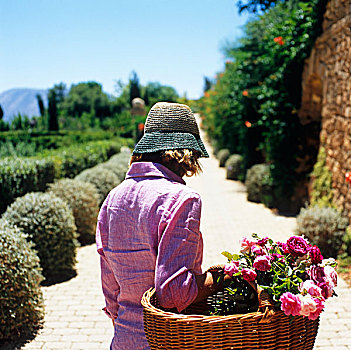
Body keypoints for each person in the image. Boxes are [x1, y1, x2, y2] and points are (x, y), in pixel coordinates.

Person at [96, 102, 228, 350]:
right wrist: (220, 278)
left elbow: (111, 290)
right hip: (167, 340)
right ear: (186, 152)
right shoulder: (181, 199)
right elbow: (174, 292)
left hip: (124, 339)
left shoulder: (112, 198)